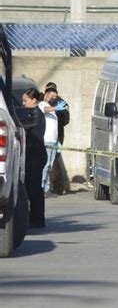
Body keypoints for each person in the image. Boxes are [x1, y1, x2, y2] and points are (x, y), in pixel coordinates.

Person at [22, 88, 47, 228]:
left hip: (35, 155)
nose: (23, 104)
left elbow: (25, 127)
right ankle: (35, 217)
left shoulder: (36, 114)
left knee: (34, 189)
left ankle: (37, 219)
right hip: (32, 154)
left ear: (34, 100)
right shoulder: (33, 113)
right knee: (31, 187)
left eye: (25, 101)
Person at [39, 87, 66, 198]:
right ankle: (41, 188)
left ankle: (48, 188)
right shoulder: (42, 105)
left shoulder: (52, 109)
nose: (54, 99)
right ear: (46, 95)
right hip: (46, 141)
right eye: (52, 96)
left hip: (53, 142)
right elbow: (44, 110)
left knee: (50, 166)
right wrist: (55, 107)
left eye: (55, 97)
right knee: (45, 165)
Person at [45, 83, 70, 195]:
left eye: (54, 93)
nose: (52, 96)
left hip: (58, 135)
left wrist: (57, 111)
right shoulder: (43, 103)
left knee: (54, 161)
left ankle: (57, 187)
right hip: (45, 136)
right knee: (47, 162)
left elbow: (66, 119)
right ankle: (47, 187)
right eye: (49, 92)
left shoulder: (62, 103)